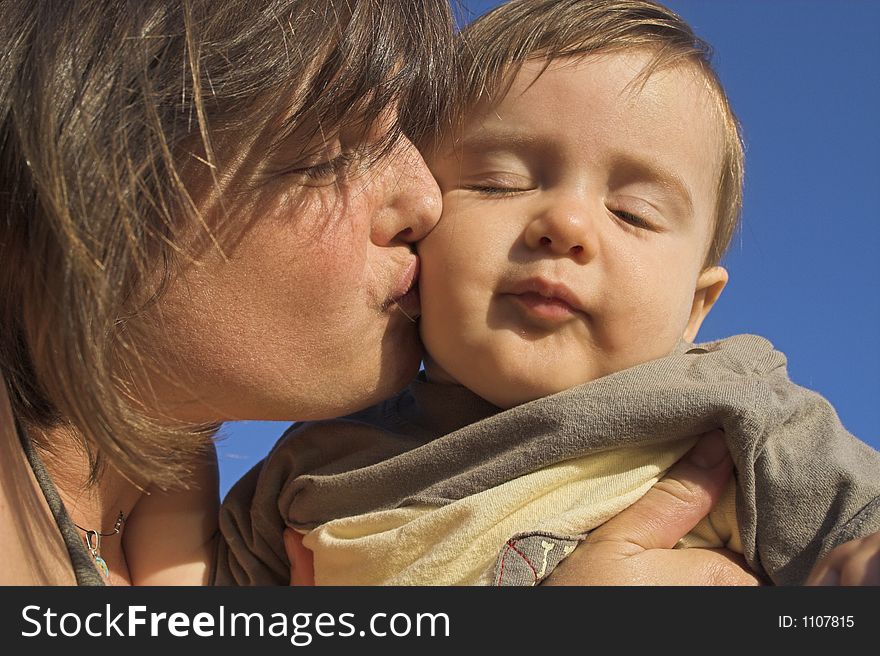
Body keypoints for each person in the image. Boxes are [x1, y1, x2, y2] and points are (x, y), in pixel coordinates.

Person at [0, 0, 756, 587]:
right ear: (101, 161)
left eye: (633, 212)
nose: (428, 202)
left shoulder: (732, 420)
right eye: (345, 147)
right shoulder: (312, 475)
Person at [215, 0, 880, 586]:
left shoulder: (730, 415)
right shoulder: (317, 459)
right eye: (500, 183)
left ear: (696, 309)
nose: (565, 226)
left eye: (634, 212)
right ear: (415, 229)